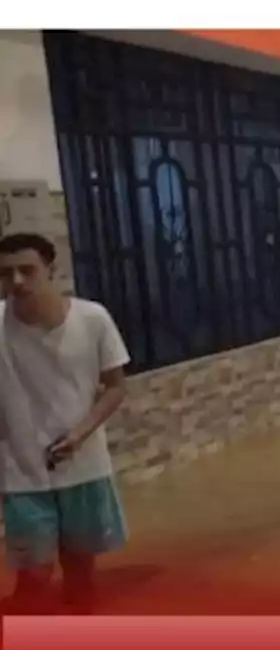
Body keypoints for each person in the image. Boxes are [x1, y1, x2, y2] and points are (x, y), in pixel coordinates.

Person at [0, 233, 131, 614]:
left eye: (28, 270)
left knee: (80, 570)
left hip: (84, 465)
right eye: (7, 274)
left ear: (51, 271)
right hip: (19, 471)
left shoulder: (92, 319)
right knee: (34, 574)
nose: (18, 281)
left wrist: (78, 434)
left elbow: (115, 387)